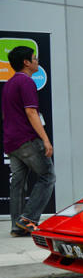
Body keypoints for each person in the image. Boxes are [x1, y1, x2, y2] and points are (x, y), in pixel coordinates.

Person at [1, 46, 55, 236]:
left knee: (18, 182)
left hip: (11, 142)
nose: (36, 60)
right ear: (26, 62)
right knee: (47, 176)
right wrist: (46, 140)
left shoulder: (9, 84)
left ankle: (17, 226)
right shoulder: (26, 82)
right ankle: (29, 218)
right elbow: (31, 112)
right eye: (34, 58)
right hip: (26, 139)